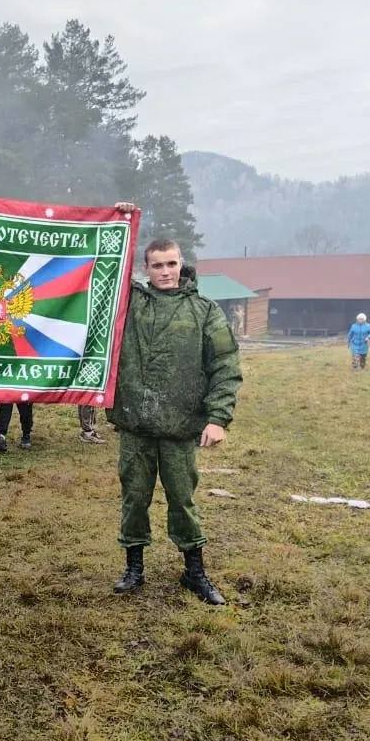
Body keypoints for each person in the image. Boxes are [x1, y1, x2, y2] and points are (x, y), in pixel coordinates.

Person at [106, 240, 242, 605]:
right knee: (134, 499)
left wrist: (217, 418)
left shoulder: (205, 311)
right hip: (136, 425)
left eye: (171, 263)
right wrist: (117, 227)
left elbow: (225, 366)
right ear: (145, 269)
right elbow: (101, 276)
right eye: (156, 265)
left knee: (182, 500)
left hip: (181, 428)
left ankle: (194, 571)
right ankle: (134, 567)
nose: (165, 271)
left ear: (182, 264)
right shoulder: (129, 306)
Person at [0, 401, 104, 451]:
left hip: (26, 368)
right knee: (6, 401)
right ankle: (1, 435)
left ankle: (26, 435)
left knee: (25, 405)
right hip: (11, 368)